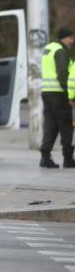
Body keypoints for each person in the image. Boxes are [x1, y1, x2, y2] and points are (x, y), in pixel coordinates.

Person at [39, 28, 74, 168]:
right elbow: (63, 75)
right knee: (66, 126)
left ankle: (45, 157)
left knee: (51, 126)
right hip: (59, 94)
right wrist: (70, 94)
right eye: (70, 38)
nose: (72, 41)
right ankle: (68, 159)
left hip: (47, 93)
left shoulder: (48, 48)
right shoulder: (60, 51)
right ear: (64, 38)